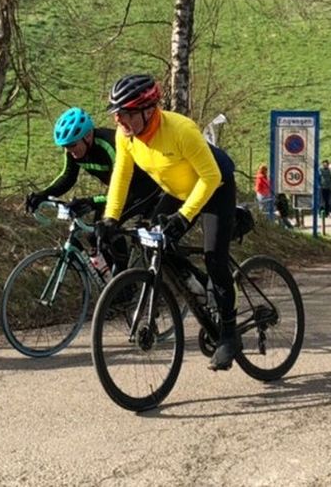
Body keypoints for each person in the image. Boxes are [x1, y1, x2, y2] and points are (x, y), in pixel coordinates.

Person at [97, 74, 242, 371]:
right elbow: (121, 177)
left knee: (214, 257)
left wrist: (185, 217)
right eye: (117, 115)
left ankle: (229, 335)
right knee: (155, 241)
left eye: (125, 114)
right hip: (178, 190)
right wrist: (110, 218)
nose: (119, 121)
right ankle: (200, 286)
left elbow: (211, 177)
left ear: (147, 111)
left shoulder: (180, 130)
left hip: (215, 187)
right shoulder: (126, 136)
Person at [25, 107, 161, 270]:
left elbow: (121, 189)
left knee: (108, 229)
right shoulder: (74, 150)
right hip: (120, 192)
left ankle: (125, 282)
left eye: (72, 145)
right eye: (65, 146)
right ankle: (117, 281)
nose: (69, 150)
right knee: (95, 236)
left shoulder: (109, 145)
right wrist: (42, 195)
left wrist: (91, 201)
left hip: (144, 187)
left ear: (88, 136)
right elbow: (68, 177)